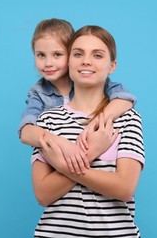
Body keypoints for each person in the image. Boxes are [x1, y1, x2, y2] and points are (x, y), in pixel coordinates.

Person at [31, 25, 145, 237]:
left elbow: (124, 188)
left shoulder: (127, 118)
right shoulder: (48, 121)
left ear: (112, 66)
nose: (86, 61)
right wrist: (91, 152)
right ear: (68, 62)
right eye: (78, 54)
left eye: (98, 55)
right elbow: (43, 194)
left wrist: (64, 165)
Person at [18, 18, 137, 174]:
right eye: (41, 55)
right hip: (56, 164)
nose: (48, 63)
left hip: (95, 160)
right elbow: (25, 131)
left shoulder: (87, 81)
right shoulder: (39, 92)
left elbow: (125, 99)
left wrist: (95, 123)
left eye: (57, 55)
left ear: (71, 55)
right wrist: (58, 141)